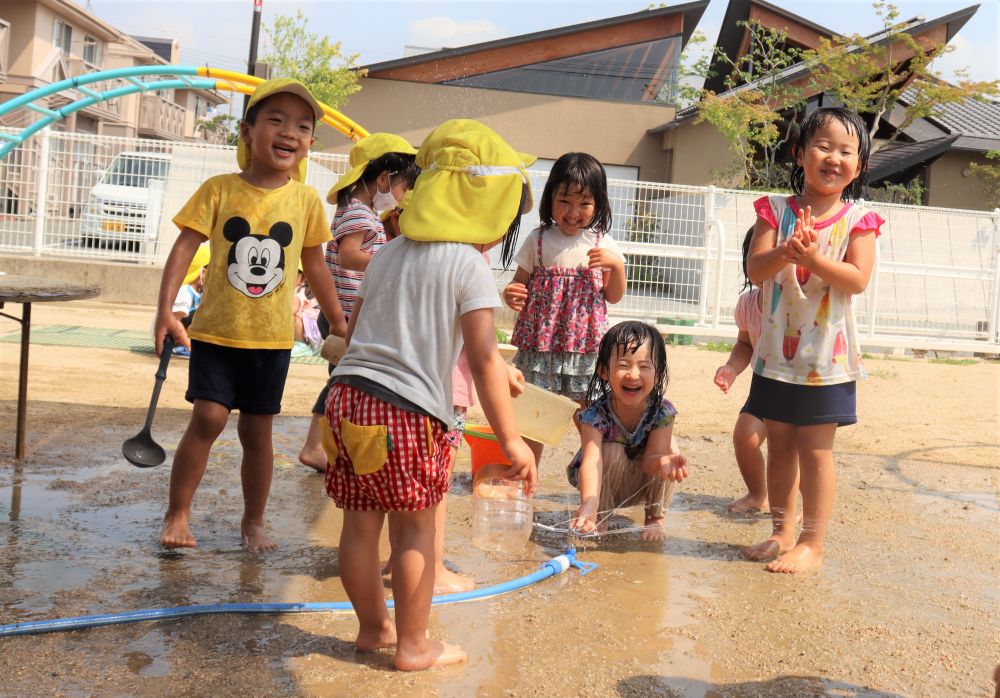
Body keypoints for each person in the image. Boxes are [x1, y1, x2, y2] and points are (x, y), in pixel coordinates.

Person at [322, 119, 537, 671]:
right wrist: (511, 439)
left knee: (358, 523)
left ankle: (373, 630)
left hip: (347, 399)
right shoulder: (467, 265)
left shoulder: (387, 253)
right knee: (414, 528)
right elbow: (486, 358)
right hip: (409, 411)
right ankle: (414, 646)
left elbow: (354, 329)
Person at [152, 78, 347, 553]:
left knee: (257, 432)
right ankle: (178, 513)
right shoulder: (218, 190)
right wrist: (166, 311)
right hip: (217, 334)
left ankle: (253, 522)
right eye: (275, 120)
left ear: (309, 145)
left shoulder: (304, 201)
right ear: (247, 130)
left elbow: (315, 262)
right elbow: (184, 247)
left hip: (272, 343)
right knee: (209, 419)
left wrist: (340, 322)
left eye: (302, 126)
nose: (289, 132)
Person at [741, 106, 884, 574]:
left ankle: (812, 542)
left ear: (859, 166)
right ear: (800, 154)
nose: (833, 157)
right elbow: (755, 269)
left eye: (847, 151)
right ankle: (783, 531)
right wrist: (787, 249)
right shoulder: (774, 211)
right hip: (776, 356)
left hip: (828, 358)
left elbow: (857, 278)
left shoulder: (859, 220)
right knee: (779, 445)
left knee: (816, 451)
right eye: (823, 146)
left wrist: (814, 258)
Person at [297, 133, 418, 472]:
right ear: (383, 179)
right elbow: (349, 256)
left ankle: (328, 446)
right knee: (342, 382)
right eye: (402, 188)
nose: (401, 197)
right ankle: (315, 447)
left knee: (343, 381)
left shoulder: (358, 211)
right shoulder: (359, 214)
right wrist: (391, 256)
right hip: (343, 315)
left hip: (351, 312)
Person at [502, 152, 626, 467]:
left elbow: (614, 296)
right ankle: (525, 481)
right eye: (565, 201)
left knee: (589, 417)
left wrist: (616, 265)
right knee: (535, 418)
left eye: (583, 203)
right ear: (550, 198)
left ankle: (600, 478)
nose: (573, 212)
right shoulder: (538, 240)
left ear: (598, 204)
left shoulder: (602, 243)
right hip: (541, 347)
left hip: (584, 349)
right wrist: (512, 294)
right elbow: (520, 286)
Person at [567, 321, 687, 541]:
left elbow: (652, 459)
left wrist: (661, 462)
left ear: (658, 374)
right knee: (608, 450)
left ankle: (654, 519)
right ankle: (599, 517)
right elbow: (591, 461)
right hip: (605, 485)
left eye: (644, 366)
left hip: (641, 479)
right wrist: (589, 504)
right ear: (604, 371)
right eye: (623, 365)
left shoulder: (662, 412)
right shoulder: (595, 415)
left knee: (670, 449)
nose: (633, 375)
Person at [713, 227, 769, 512]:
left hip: (800, 386)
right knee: (744, 437)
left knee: (795, 450)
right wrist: (731, 368)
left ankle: (798, 505)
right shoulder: (749, 304)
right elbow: (745, 345)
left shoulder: (802, 307)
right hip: (765, 386)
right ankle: (758, 493)